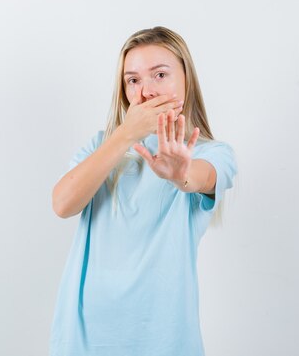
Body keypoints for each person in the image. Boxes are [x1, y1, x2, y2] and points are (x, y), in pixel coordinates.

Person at [49, 26, 238, 356]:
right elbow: (63, 204)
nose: (146, 91)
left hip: (163, 340)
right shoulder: (102, 147)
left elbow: (201, 176)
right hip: (85, 338)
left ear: (186, 80)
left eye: (160, 75)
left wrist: (180, 174)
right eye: (133, 80)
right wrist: (125, 135)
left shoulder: (211, 152)